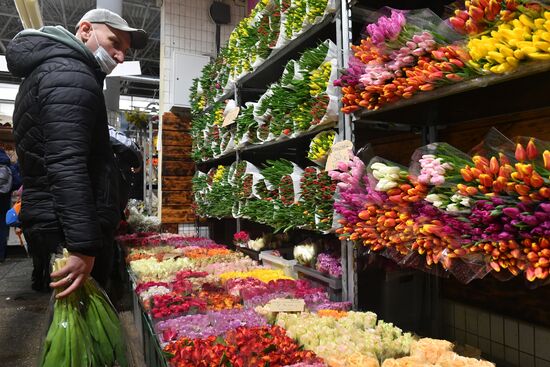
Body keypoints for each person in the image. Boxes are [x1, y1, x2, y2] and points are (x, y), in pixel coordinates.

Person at [6, 9, 148, 298]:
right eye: (115, 43)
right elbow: (66, 164)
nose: (120, 56)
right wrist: (82, 246)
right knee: (80, 332)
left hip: (54, 222)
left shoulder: (52, 70)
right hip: (66, 231)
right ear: (85, 31)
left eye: (124, 50)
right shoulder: (71, 75)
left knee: (67, 329)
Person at [0, 148, 21, 262]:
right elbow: (18, 182)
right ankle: (1, 255)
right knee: (2, 225)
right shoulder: (7, 164)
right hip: (3, 198)